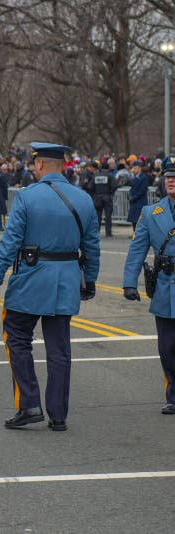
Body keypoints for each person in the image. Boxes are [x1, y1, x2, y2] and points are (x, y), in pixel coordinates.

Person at [0, 142, 100, 432]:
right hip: (65, 280)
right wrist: (89, 280)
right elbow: (91, 247)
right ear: (64, 164)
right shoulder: (83, 199)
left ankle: (29, 403)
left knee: (16, 336)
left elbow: (10, 243)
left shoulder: (27, 198)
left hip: (31, 278)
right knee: (59, 348)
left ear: (39, 164)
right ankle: (58, 414)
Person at [123, 155, 175, 415]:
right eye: (168, 176)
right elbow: (137, 250)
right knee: (167, 348)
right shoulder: (151, 213)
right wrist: (129, 282)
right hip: (166, 288)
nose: (171, 180)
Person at [90, 163, 117, 237]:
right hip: (107, 197)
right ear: (108, 168)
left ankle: (97, 232)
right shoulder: (110, 176)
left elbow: (90, 187)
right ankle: (108, 233)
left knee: (98, 216)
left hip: (98, 197)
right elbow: (114, 186)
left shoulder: (95, 176)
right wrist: (111, 192)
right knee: (108, 216)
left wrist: (95, 194)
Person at [127, 161, 149, 231]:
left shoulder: (143, 177)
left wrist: (134, 197)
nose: (133, 170)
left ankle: (139, 234)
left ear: (139, 169)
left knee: (140, 219)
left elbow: (143, 190)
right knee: (134, 219)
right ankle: (134, 232)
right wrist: (130, 195)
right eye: (133, 168)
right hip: (134, 201)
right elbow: (132, 188)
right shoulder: (134, 177)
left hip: (140, 201)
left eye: (135, 168)